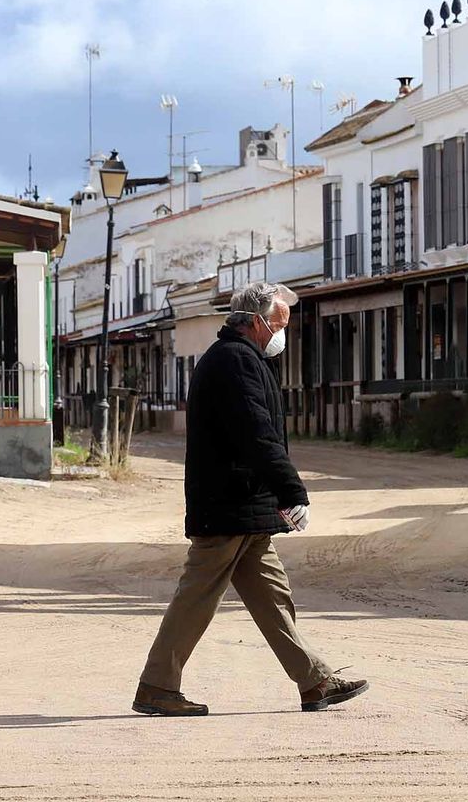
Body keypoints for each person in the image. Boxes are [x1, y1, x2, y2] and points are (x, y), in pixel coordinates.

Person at [133, 281, 368, 716]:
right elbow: (256, 435)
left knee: (273, 596)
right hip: (228, 507)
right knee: (197, 598)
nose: (283, 333)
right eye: (280, 323)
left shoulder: (243, 359)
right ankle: (157, 686)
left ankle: (315, 681)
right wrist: (292, 490)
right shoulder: (235, 362)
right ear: (256, 322)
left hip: (245, 508)